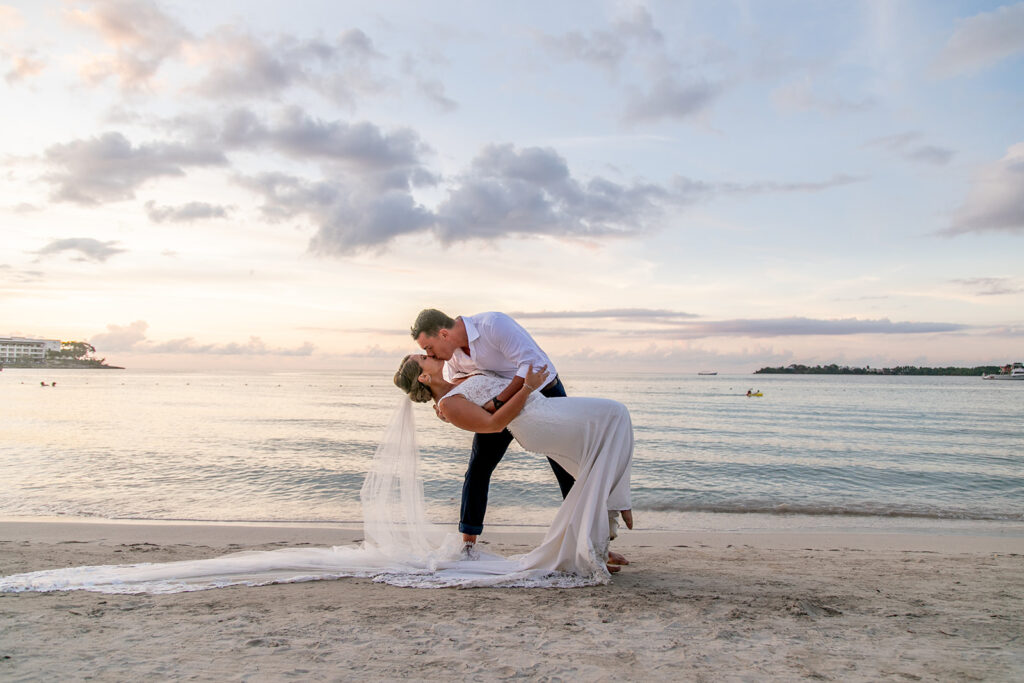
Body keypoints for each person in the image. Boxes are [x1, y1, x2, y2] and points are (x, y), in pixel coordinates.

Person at [393, 354, 633, 577]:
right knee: (615, 414)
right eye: (424, 358)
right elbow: (495, 424)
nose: (430, 355)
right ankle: (615, 511)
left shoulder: (456, 380)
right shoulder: (447, 404)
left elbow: (490, 394)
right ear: (424, 377)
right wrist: (527, 387)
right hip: (536, 420)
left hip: (539, 408)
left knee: (592, 459)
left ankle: (597, 540)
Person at [409, 310, 575, 543]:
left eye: (428, 347)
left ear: (444, 334)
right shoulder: (452, 357)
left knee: (564, 466)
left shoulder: (493, 325)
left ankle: (594, 540)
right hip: (499, 405)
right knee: (478, 467)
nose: (429, 353)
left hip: (542, 391)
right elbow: (460, 381)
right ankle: (468, 543)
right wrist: (445, 403)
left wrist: (496, 402)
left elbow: (530, 366)